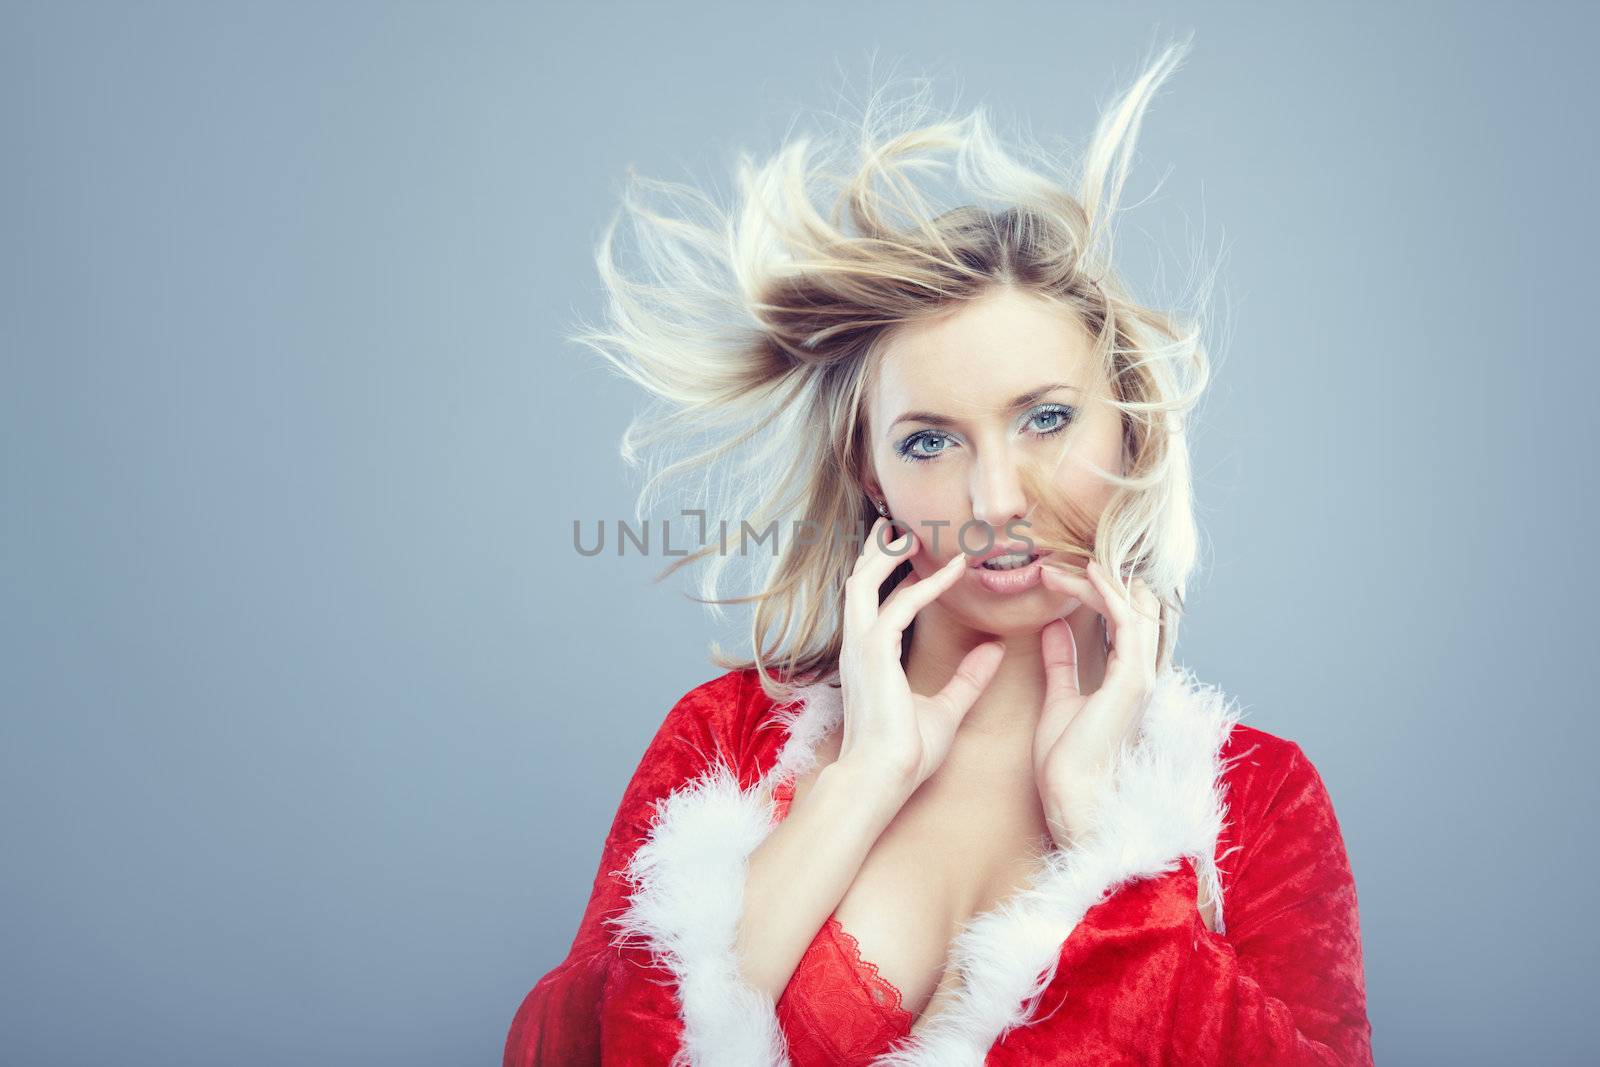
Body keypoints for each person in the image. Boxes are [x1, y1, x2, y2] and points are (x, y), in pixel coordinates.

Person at [506, 36, 1373, 1066]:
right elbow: (570, 1051)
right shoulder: (727, 740)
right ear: (873, 474)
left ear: (1129, 429)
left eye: (1046, 419)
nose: (995, 498)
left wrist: (1108, 833)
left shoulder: (1258, 798)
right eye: (929, 440)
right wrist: (861, 779)